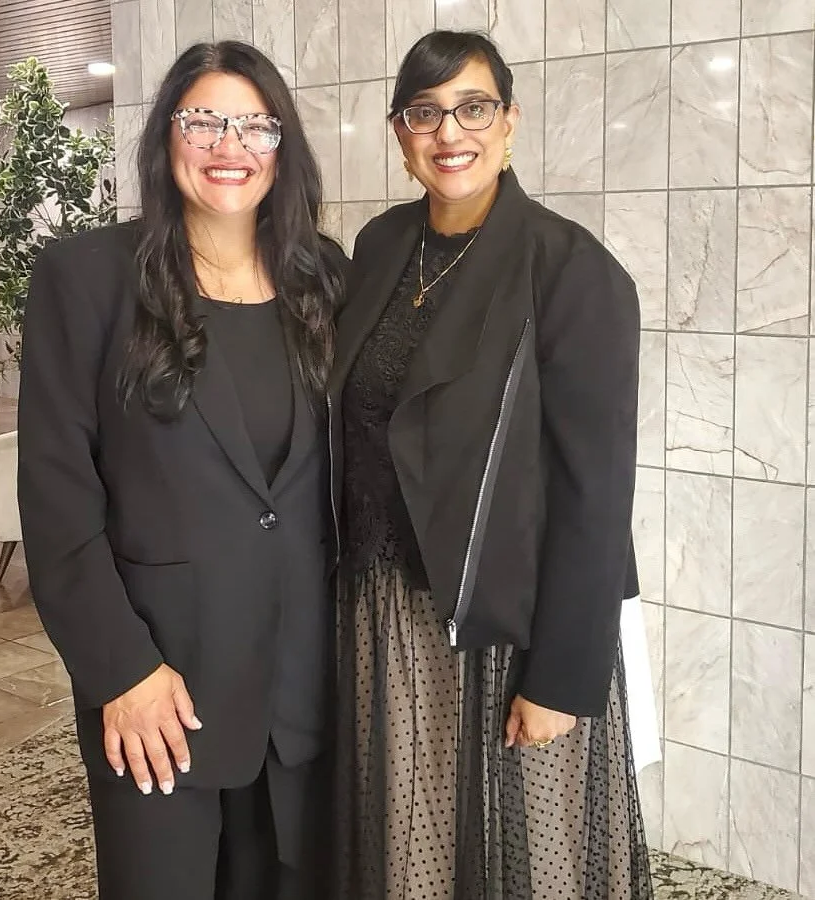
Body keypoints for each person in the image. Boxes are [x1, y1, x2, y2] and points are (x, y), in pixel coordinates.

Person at [18, 40, 346, 900]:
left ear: (283, 146)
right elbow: (56, 498)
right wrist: (120, 669)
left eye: (255, 126)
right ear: (167, 134)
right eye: (204, 121)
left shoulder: (325, 278)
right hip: (160, 690)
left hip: (303, 692)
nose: (229, 146)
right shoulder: (87, 278)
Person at [329, 30, 653, 899]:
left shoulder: (571, 268)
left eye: (472, 108)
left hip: (508, 622)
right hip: (385, 611)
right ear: (400, 133)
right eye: (425, 112)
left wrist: (562, 679)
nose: (450, 133)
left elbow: (595, 493)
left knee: (527, 863)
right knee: (413, 849)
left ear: (510, 121)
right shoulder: (381, 246)